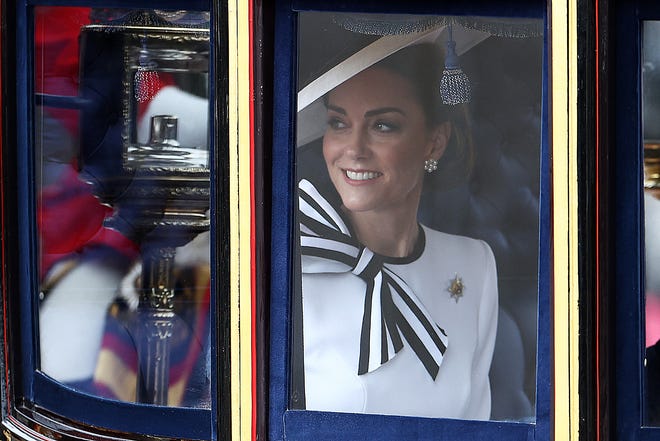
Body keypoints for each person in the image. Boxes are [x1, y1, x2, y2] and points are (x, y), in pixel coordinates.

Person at [296, 42, 498, 420]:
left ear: (433, 142)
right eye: (339, 123)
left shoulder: (474, 265)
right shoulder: (294, 264)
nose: (353, 149)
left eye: (382, 126)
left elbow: (475, 421)